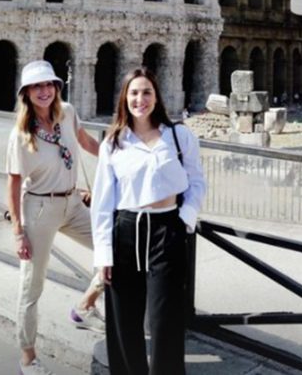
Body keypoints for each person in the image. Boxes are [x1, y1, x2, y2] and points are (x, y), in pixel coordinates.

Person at [91, 67, 206, 375]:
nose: (140, 99)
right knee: (124, 321)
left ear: (156, 97)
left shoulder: (179, 135)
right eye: (134, 93)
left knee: (164, 319)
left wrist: (185, 219)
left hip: (166, 229)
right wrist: (103, 255)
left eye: (146, 92)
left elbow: (196, 181)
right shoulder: (112, 143)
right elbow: (102, 203)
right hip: (126, 230)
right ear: (124, 98)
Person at [6, 60, 104, 375]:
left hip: (73, 203)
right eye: (37, 86)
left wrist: (118, 159)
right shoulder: (21, 134)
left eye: (49, 84)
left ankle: (84, 306)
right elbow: (14, 183)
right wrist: (18, 231)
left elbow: (86, 141)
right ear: (27, 93)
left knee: (114, 249)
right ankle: (27, 359)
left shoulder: (68, 112)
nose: (45, 91)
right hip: (39, 209)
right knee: (31, 287)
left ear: (57, 87)